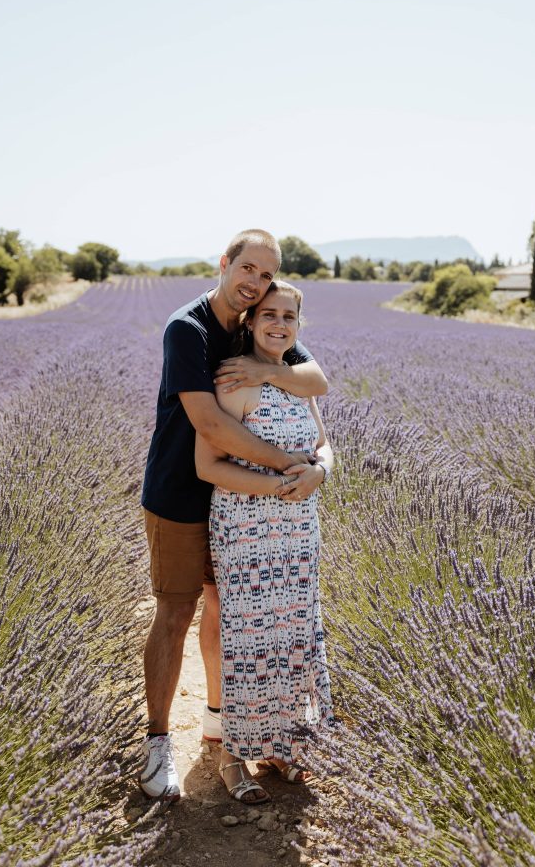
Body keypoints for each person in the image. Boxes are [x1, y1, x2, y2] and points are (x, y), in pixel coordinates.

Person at [139, 230, 328, 802]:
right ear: (224, 264)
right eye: (247, 269)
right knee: (176, 613)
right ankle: (156, 746)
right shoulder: (188, 329)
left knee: (233, 615)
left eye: (266, 275)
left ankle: (224, 725)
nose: (255, 283)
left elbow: (316, 380)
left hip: (238, 507)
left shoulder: (258, 323)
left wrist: (270, 374)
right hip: (180, 493)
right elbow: (213, 429)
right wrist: (293, 469)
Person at [195, 280, 334, 805]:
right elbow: (208, 466)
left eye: (289, 317)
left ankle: (279, 743)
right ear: (250, 321)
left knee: (290, 636)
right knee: (246, 641)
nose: (279, 324)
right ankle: (230, 754)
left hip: (298, 529)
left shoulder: (299, 378)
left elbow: (323, 443)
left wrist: (321, 473)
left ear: (299, 327)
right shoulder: (233, 381)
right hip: (247, 527)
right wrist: (281, 484)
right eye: (269, 314)